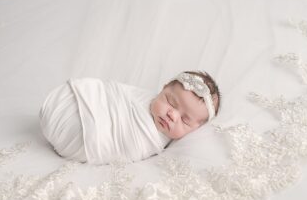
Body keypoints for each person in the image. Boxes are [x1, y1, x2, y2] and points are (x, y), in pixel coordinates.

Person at [39, 70, 220, 163]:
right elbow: (112, 92)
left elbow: (127, 146)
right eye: (170, 102)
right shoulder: (142, 96)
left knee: (79, 130)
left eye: (185, 120)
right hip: (65, 102)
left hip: (83, 140)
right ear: (163, 88)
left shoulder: (152, 138)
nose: (172, 114)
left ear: (195, 129)